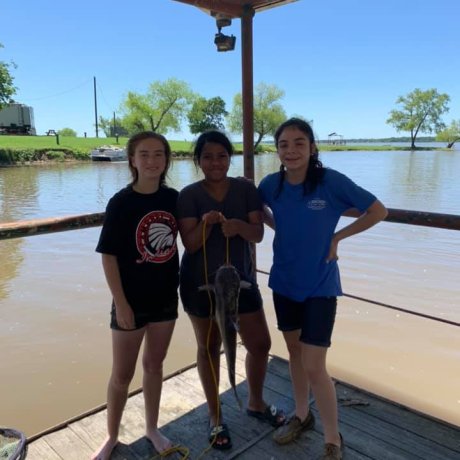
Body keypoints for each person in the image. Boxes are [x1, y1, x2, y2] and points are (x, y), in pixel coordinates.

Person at [258, 118, 388, 460]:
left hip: (320, 284)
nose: (291, 150)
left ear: (312, 147)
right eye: (284, 144)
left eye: (299, 143)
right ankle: (302, 415)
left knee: (315, 364)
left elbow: (377, 210)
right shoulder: (271, 184)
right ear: (277, 150)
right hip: (283, 281)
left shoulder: (329, 182)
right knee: (295, 354)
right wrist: (277, 226)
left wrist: (337, 237)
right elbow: (254, 209)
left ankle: (333, 439)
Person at [177, 130, 286, 450]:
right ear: (198, 161)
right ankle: (215, 416)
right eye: (208, 156)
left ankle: (255, 401)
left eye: (222, 156)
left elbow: (257, 234)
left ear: (230, 158)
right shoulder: (189, 195)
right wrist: (207, 223)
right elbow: (191, 244)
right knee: (208, 348)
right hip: (200, 283)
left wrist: (238, 227)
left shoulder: (245, 190)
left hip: (241, 281)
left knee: (260, 343)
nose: (215, 162)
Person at [92, 131, 180, 460]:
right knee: (122, 375)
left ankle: (152, 428)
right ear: (132, 160)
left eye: (159, 154)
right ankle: (111, 435)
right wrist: (122, 304)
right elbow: (108, 256)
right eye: (144, 154)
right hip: (130, 302)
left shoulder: (173, 199)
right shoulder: (121, 203)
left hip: (166, 300)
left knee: (154, 366)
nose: (152, 161)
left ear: (166, 160)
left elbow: (191, 234)